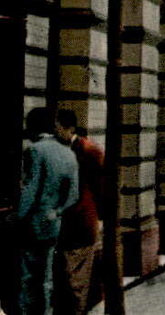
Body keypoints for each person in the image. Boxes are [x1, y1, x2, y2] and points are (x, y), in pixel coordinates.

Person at [17, 108, 78, 315]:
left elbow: (30, 190)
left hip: (32, 224)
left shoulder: (34, 150)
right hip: (53, 224)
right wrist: (57, 211)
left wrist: (17, 217)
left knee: (26, 277)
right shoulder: (68, 152)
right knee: (47, 275)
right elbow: (73, 194)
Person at [54, 112, 104, 315]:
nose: (56, 132)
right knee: (72, 274)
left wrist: (100, 217)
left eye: (58, 127)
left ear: (69, 129)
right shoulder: (70, 149)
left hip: (82, 219)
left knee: (76, 277)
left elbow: (100, 186)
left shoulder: (87, 150)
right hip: (72, 220)